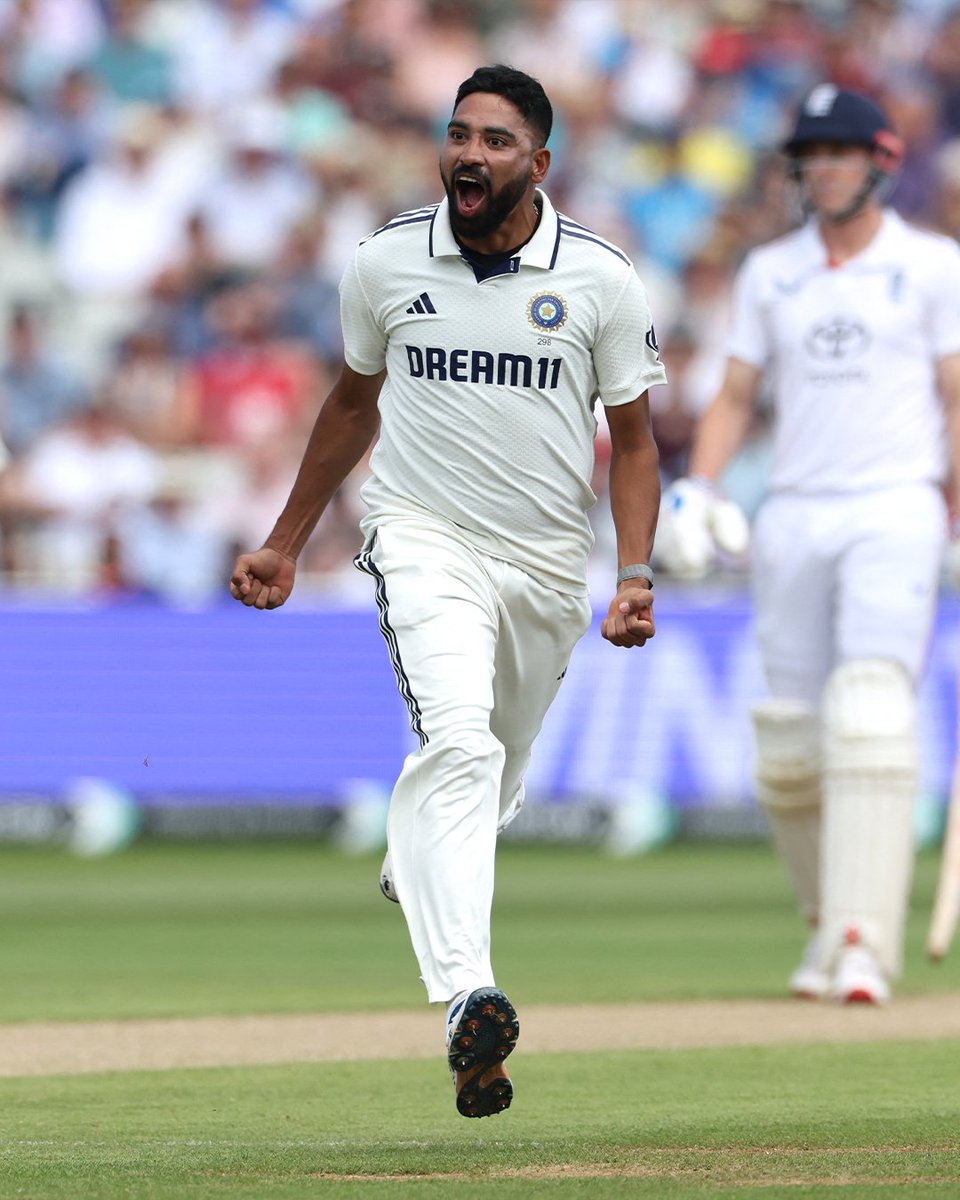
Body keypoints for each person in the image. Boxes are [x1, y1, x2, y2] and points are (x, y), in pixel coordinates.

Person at [229, 64, 665, 1117]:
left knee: (492, 779)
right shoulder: (385, 261)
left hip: (550, 569)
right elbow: (349, 405)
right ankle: (469, 998)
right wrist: (287, 541)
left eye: (497, 141)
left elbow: (637, 443)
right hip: (421, 536)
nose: (470, 154)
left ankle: (417, 857)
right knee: (458, 745)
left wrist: (638, 570)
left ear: (539, 164)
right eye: (459, 134)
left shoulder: (600, 279)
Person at [658, 84, 960, 1005]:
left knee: (869, 711)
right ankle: (829, 929)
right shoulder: (770, 271)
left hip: (895, 503)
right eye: (810, 154)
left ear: (880, 161)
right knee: (788, 743)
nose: (822, 167)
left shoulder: (935, 266)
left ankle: (866, 945)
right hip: (792, 510)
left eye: (840, 151)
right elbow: (738, 396)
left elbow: (957, 398)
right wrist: (699, 488)